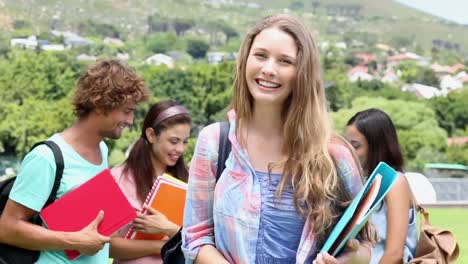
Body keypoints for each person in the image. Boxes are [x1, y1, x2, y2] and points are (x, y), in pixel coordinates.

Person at [182, 14, 374, 264]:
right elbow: (195, 237)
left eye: (285, 61)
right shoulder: (215, 142)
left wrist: (347, 260)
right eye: (260, 55)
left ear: (302, 74)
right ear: (245, 61)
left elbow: (365, 246)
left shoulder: (334, 154)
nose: (269, 69)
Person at [0, 59, 149, 263]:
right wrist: (75, 241)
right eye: (126, 111)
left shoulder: (102, 150)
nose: (130, 121)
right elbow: (7, 228)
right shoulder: (47, 157)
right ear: (100, 105)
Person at [110, 100, 192, 264]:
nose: (181, 149)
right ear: (151, 135)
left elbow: (199, 240)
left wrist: (168, 229)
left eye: (185, 142)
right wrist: (161, 245)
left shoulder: (189, 181)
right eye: (174, 141)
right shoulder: (118, 178)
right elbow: (108, 245)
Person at [345, 108, 418, 264]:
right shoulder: (357, 182)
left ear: (377, 146)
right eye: (347, 145)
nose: (348, 152)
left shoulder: (395, 183)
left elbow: (394, 254)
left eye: (355, 146)